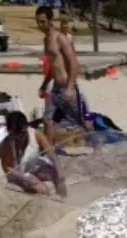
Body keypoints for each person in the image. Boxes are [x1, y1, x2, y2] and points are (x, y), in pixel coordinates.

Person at [35, 6, 94, 146]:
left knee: (80, 123)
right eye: (38, 22)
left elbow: (73, 63)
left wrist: (70, 87)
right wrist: (44, 85)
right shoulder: (46, 40)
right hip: (56, 88)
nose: (40, 25)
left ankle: (93, 145)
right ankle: (50, 156)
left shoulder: (60, 38)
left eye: (43, 21)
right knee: (48, 121)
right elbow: (53, 66)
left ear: (50, 20)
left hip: (68, 89)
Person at [0, 111, 67, 197]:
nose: (19, 139)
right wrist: (28, 179)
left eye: (22, 134)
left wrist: (61, 179)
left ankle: (63, 198)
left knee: (53, 176)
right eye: (15, 135)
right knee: (40, 188)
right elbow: (8, 168)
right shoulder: (7, 144)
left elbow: (52, 156)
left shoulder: (36, 135)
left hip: (33, 168)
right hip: (18, 173)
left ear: (26, 128)